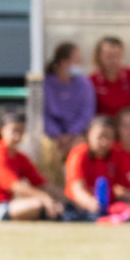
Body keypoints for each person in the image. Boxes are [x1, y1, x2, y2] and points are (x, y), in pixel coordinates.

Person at [0, 110, 63, 221]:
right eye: (14, 131)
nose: (17, 136)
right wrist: (45, 198)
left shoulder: (20, 157)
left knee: (52, 206)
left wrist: (66, 199)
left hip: (7, 206)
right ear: (2, 131)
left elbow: (41, 183)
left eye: (21, 132)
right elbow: (15, 186)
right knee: (37, 204)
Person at [40, 41, 97, 171]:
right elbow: (44, 114)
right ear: (64, 62)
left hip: (77, 134)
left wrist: (71, 134)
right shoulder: (46, 84)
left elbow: (87, 113)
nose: (80, 65)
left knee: (80, 150)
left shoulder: (84, 83)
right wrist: (57, 134)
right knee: (48, 150)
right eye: (77, 60)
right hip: (52, 135)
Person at [65, 115, 126, 216]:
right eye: (100, 137)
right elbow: (77, 190)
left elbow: (121, 189)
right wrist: (92, 204)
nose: (104, 142)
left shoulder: (116, 154)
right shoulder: (79, 154)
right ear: (89, 135)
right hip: (79, 208)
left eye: (109, 137)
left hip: (108, 208)